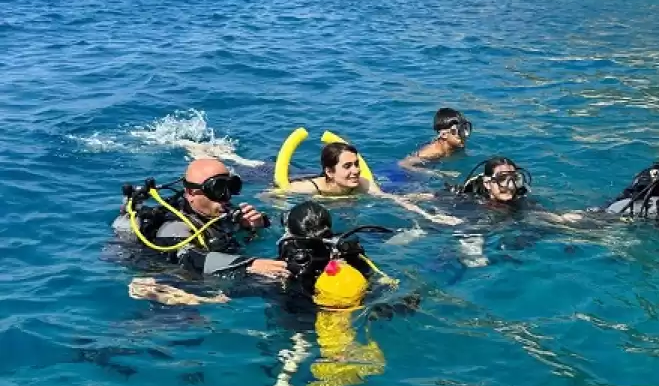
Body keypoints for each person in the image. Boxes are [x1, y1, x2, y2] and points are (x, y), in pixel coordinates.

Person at [113, 159, 289, 292]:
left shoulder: (221, 211)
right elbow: (190, 259)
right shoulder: (174, 227)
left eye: (230, 187)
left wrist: (258, 225)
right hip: (172, 280)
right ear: (191, 193)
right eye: (218, 189)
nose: (226, 197)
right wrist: (249, 265)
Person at [265, 142, 462, 226]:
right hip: (295, 176)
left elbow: (393, 200)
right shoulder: (307, 189)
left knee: (413, 194)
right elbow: (268, 195)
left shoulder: (362, 184)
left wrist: (431, 216)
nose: (356, 171)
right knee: (258, 170)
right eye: (348, 166)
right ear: (329, 171)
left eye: (357, 164)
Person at [399, 107, 472, 172]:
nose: (465, 135)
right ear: (444, 134)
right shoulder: (434, 152)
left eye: (465, 128)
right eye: (460, 131)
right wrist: (438, 173)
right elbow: (403, 164)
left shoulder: (458, 145)